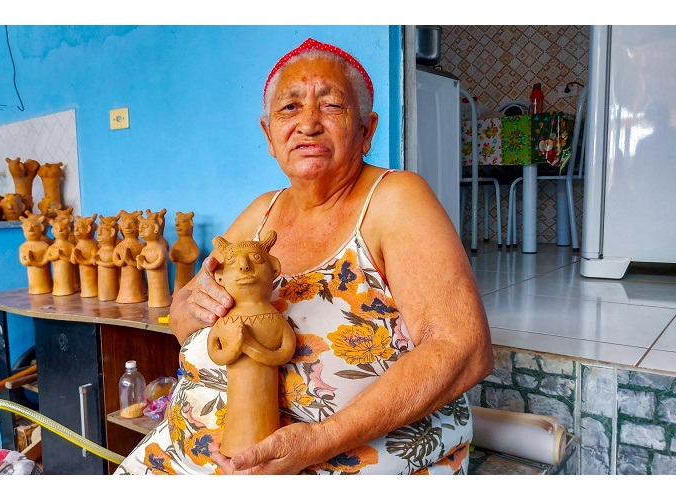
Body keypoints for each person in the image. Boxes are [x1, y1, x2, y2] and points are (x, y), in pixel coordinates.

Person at [115, 37, 493, 475]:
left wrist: (319, 441)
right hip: (183, 453)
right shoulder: (261, 213)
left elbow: (463, 347)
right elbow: (184, 320)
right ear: (269, 136)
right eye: (289, 108)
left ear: (366, 131)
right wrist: (188, 303)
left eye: (331, 106)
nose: (308, 124)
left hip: (336, 462)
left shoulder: (395, 200)